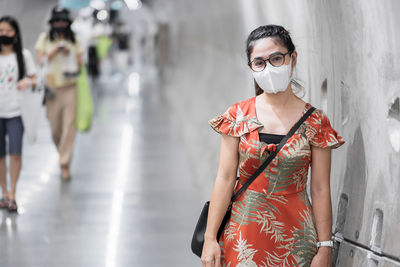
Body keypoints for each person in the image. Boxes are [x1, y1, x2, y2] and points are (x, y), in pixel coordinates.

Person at [201, 25, 345, 267]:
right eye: (259, 63)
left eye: (276, 58)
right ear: (251, 68)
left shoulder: (315, 121)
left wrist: (325, 247)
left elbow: (320, 188)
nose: (268, 68)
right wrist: (209, 238)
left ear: (292, 58)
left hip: (297, 240)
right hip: (242, 238)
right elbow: (225, 178)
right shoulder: (238, 115)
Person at [35, 6, 83, 180]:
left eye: (63, 21)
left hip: (70, 86)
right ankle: (62, 153)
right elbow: (39, 60)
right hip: (52, 88)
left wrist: (70, 54)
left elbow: (80, 64)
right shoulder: (45, 39)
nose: (60, 24)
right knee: (55, 127)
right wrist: (53, 52)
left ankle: (65, 163)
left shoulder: (74, 40)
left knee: (69, 126)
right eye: (57, 21)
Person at [0, 16, 37, 212]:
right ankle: (4, 193)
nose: (3, 34)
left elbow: (35, 79)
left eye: (7, 31)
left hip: (16, 112)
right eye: (1, 31)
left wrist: (28, 82)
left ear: (15, 34)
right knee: (0, 156)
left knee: (15, 154)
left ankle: (13, 193)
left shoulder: (23, 56)